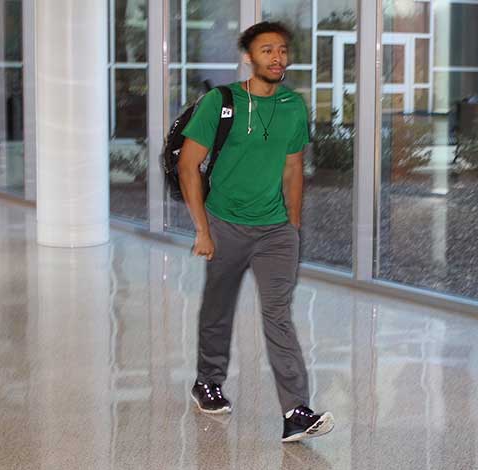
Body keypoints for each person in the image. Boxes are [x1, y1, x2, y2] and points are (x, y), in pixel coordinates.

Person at [176, 21, 334, 443]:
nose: (277, 57)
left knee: (278, 315)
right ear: (249, 56)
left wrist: (293, 226)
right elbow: (187, 165)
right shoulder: (219, 102)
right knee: (218, 307)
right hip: (224, 224)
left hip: (275, 231)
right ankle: (207, 381)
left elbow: (293, 167)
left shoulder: (293, 107)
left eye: (282, 50)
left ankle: (296, 411)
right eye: (267, 50)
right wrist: (202, 230)